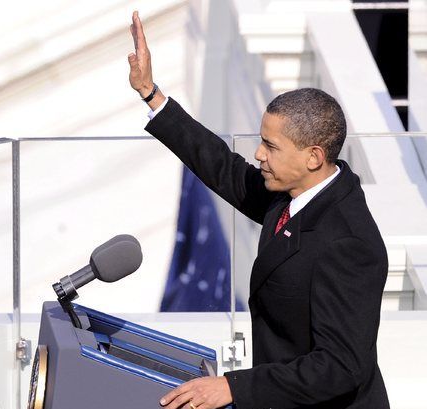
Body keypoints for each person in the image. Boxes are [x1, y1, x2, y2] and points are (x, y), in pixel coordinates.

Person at [127, 11, 390, 409]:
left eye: (271, 146)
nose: (258, 154)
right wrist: (152, 95)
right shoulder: (291, 196)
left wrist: (234, 387)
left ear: (313, 157)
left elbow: (340, 365)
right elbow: (222, 167)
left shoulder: (349, 242)